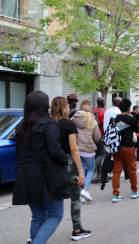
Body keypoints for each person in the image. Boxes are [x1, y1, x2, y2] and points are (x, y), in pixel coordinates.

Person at [13, 91, 70, 244]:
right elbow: (55, 150)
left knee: (38, 216)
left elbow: (19, 153)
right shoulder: (50, 124)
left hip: (26, 174)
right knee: (56, 215)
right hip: (47, 175)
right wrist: (65, 159)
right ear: (44, 105)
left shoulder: (21, 126)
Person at [51, 96, 91, 241]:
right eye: (67, 106)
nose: (69, 108)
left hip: (52, 163)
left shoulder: (48, 123)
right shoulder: (68, 124)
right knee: (75, 195)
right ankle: (77, 229)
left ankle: (40, 229)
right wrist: (81, 171)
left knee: (51, 196)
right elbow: (74, 149)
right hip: (68, 163)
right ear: (63, 108)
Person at [112, 99, 139, 203]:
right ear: (129, 108)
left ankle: (115, 194)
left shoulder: (115, 118)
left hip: (117, 148)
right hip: (128, 147)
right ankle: (134, 191)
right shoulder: (131, 119)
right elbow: (137, 130)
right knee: (131, 169)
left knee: (116, 171)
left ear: (119, 107)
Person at [73, 100, 101, 202]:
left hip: (77, 149)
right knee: (90, 170)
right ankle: (84, 190)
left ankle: (81, 194)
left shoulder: (74, 119)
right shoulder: (93, 121)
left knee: (81, 171)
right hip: (89, 149)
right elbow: (97, 138)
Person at [93, 97, 106, 181]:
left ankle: (99, 173)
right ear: (103, 103)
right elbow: (104, 125)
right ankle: (92, 167)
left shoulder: (92, 111)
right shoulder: (104, 112)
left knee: (97, 154)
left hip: (92, 135)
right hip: (100, 135)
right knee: (102, 153)